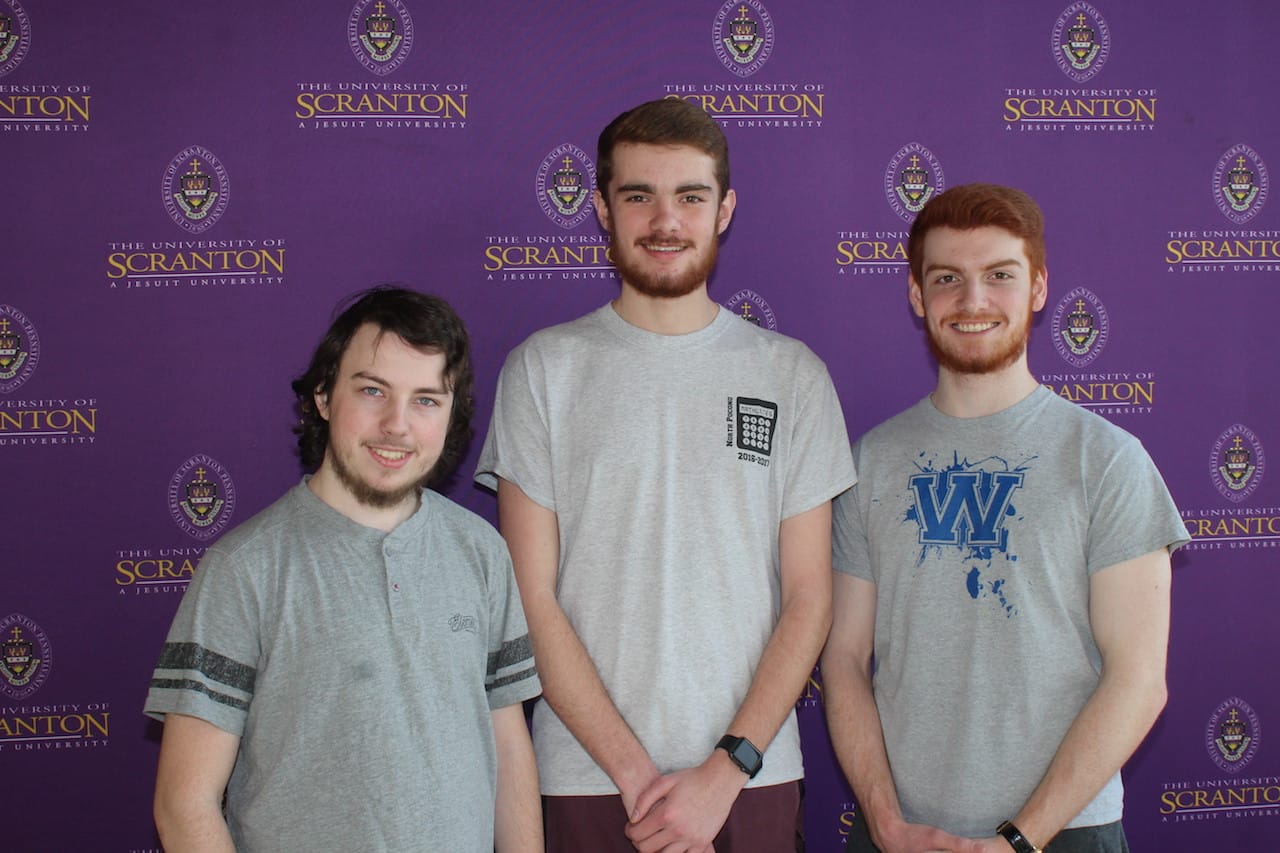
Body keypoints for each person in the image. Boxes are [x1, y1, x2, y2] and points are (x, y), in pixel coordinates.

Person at [475, 97, 856, 852]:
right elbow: (531, 597)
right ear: (601, 209)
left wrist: (724, 771)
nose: (665, 219)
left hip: (750, 778)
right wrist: (636, 776)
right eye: (638, 195)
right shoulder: (543, 370)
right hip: (585, 780)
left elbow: (810, 598)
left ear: (725, 210)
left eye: (690, 195)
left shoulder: (793, 376)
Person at [822, 184, 1189, 853]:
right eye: (947, 279)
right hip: (900, 836)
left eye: (999, 275)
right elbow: (843, 657)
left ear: (1039, 288)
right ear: (916, 295)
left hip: (1065, 834)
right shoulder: (870, 461)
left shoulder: (1106, 459)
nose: (973, 301)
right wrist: (883, 820)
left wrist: (1021, 839)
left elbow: (1138, 678)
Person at [145, 287, 542, 853]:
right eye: (373, 391)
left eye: (426, 400)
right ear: (325, 396)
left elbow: (507, 747)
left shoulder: (482, 551)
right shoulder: (244, 569)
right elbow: (185, 805)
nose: (397, 425)